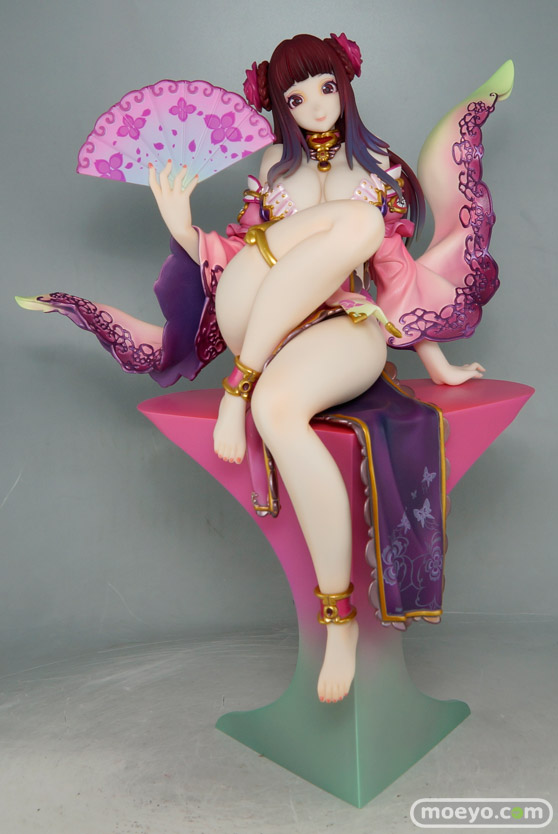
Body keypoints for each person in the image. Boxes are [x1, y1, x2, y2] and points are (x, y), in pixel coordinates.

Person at [16, 34, 512, 704]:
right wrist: (183, 228)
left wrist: (439, 364)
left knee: (285, 400)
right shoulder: (274, 165)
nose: (316, 106)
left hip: (340, 327)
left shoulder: (382, 169)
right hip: (257, 310)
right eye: (296, 98)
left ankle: (338, 617)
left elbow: (397, 281)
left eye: (326, 88)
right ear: (279, 105)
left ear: (346, 85)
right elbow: (237, 256)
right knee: (346, 229)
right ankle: (240, 383)